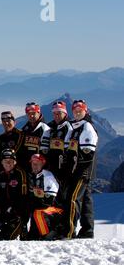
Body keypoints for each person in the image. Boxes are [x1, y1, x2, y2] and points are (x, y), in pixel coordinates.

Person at [62, 99, 98, 239]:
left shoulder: (86, 127)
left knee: (72, 199)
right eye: (75, 111)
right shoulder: (75, 127)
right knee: (86, 201)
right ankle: (87, 230)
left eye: (80, 110)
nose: (77, 113)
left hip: (81, 173)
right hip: (74, 171)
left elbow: (88, 155)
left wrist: (80, 172)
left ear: (85, 111)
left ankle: (69, 232)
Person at [0, 149, 28, 240]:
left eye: (11, 161)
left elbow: (24, 195)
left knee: (5, 239)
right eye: (5, 161)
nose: (8, 163)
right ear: (1, 163)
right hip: (4, 209)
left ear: (15, 162)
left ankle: (22, 229)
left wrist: (14, 208)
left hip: (17, 210)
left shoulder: (20, 173)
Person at [27, 154, 62, 240]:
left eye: (37, 163)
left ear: (43, 164)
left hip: (56, 209)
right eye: (33, 163)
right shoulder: (31, 176)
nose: (35, 166)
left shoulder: (48, 176)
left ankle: (47, 235)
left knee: (38, 212)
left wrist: (33, 204)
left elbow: (49, 202)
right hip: (42, 209)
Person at [46, 101, 73, 181]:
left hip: (62, 168)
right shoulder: (50, 126)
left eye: (59, 113)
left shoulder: (69, 127)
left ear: (65, 113)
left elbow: (69, 151)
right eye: (54, 113)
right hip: (50, 167)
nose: (56, 116)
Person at [20, 102, 50, 171]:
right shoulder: (25, 128)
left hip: (39, 167)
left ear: (38, 113)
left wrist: (41, 168)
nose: (31, 116)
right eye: (29, 114)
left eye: (33, 113)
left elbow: (45, 152)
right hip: (26, 166)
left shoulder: (45, 129)